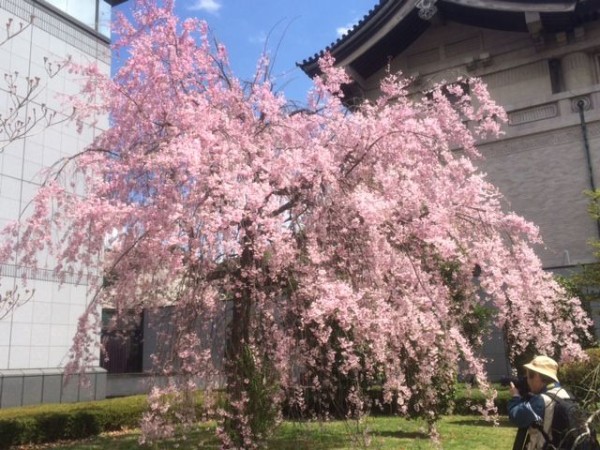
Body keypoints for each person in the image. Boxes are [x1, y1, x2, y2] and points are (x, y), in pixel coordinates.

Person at [508, 355, 570, 450]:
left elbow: (516, 416)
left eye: (528, 377)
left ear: (536, 376)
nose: (528, 381)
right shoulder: (565, 394)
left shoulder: (541, 401)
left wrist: (515, 397)